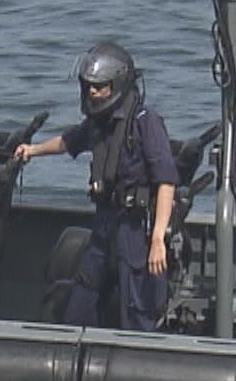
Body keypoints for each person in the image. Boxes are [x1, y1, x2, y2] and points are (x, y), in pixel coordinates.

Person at [13, 41, 179, 331]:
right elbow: (68, 141)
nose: (92, 92)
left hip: (135, 227)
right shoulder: (98, 125)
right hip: (105, 224)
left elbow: (166, 181)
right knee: (82, 298)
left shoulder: (144, 122)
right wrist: (33, 150)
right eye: (89, 85)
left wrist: (157, 240)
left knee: (137, 306)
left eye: (99, 87)